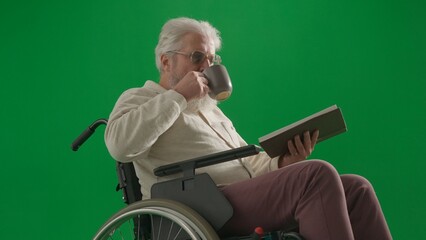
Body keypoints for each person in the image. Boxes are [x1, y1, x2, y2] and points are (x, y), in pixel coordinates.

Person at [104, 17, 392, 239]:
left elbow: (247, 162)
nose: (207, 66)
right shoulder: (140, 99)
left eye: (212, 59)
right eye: (197, 57)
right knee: (316, 175)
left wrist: (283, 161)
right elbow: (120, 145)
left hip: (239, 198)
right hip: (202, 204)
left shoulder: (211, 111)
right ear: (166, 61)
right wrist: (179, 96)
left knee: (357, 187)